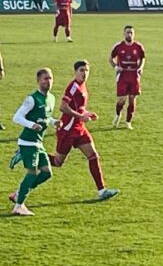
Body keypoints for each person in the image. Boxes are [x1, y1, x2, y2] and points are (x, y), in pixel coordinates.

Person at [48, 60, 119, 202]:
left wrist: (87, 113)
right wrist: (81, 116)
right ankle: (29, 153)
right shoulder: (73, 87)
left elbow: (79, 107)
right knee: (57, 162)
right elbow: (63, 107)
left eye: (87, 70)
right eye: (81, 70)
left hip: (79, 128)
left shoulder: (83, 86)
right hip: (68, 130)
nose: (84, 73)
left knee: (93, 156)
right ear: (75, 72)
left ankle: (102, 191)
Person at [8, 68, 57, 216]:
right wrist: (31, 125)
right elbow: (16, 117)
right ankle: (18, 206)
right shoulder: (32, 99)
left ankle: (19, 193)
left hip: (38, 142)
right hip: (28, 142)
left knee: (46, 173)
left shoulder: (51, 98)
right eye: (45, 79)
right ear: (38, 81)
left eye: (50, 78)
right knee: (32, 172)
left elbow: (45, 116)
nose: (48, 81)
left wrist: (54, 122)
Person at [109, 25, 145, 130]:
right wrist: (116, 67)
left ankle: (128, 121)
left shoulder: (138, 46)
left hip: (134, 75)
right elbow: (110, 58)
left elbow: (143, 58)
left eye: (131, 33)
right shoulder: (118, 46)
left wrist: (140, 68)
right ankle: (117, 114)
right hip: (123, 75)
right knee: (122, 100)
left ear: (134, 34)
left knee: (132, 99)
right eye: (127, 32)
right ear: (124, 34)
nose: (129, 34)